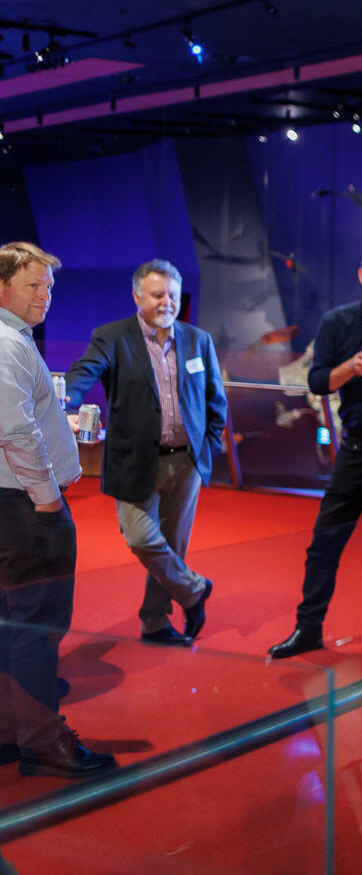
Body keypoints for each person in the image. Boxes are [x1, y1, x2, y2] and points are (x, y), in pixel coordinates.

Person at [64, 259, 227, 647]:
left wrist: (207, 446)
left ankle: (155, 621)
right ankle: (194, 590)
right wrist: (64, 398)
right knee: (141, 538)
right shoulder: (112, 337)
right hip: (135, 460)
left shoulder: (198, 340)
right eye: (157, 295)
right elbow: (83, 374)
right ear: (137, 297)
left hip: (186, 461)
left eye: (172, 295)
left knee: (173, 545)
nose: (167, 302)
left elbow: (215, 400)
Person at [0, 241, 116, 777]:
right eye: (33, 284)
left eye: (48, 286)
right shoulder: (7, 344)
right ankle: (43, 741)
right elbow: (16, 432)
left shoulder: (14, 339)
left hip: (14, 503)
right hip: (24, 507)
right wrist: (47, 498)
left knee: (13, 624)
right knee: (36, 627)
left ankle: (12, 732)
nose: (45, 295)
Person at [268, 243, 362, 659]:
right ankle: (308, 627)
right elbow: (316, 381)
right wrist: (350, 368)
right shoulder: (338, 322)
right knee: (325, 540)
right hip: (359, 445)